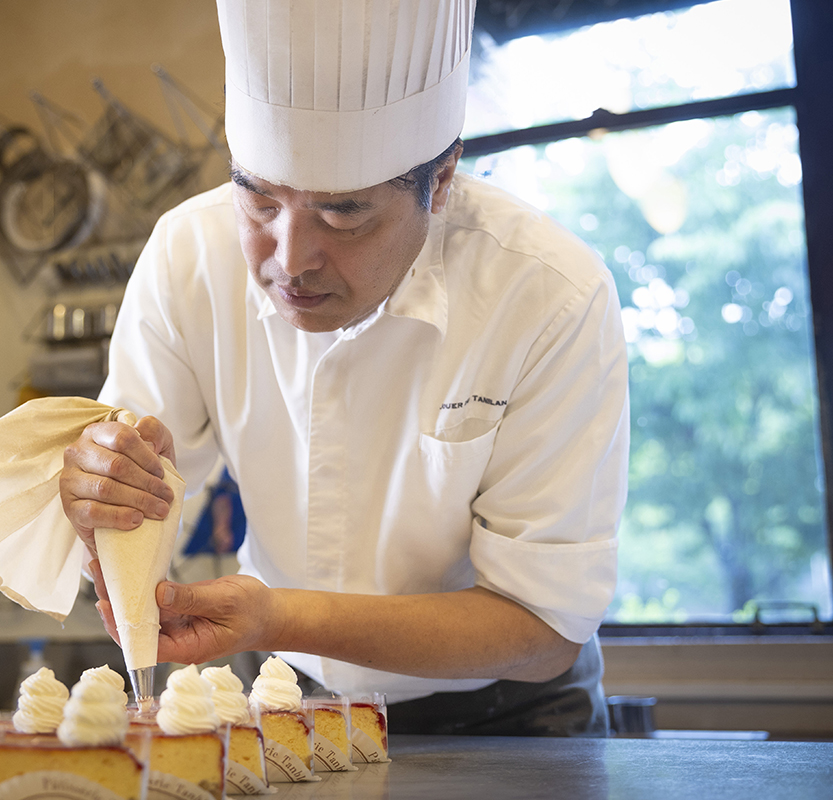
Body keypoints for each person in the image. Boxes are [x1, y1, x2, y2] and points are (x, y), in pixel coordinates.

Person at [60, 0, 628, 737]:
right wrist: (100, 498)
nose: (290, 261)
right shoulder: (187, 257)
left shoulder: (548, 293)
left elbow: (544, 632)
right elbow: (129, 518)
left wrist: (278, 614)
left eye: (345, 213)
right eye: (258, 199)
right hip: (290, 695)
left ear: (443, 180)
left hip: (510, 712)